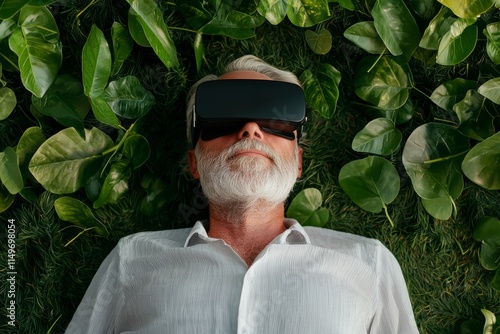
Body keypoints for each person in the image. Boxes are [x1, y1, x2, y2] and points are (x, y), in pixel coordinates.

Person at [66, 55, 419, 333]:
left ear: (298, 161)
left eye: (273, 120)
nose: (250, 128)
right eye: (223, 117)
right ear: (194, 162)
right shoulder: (132, 261)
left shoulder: (368, 265)